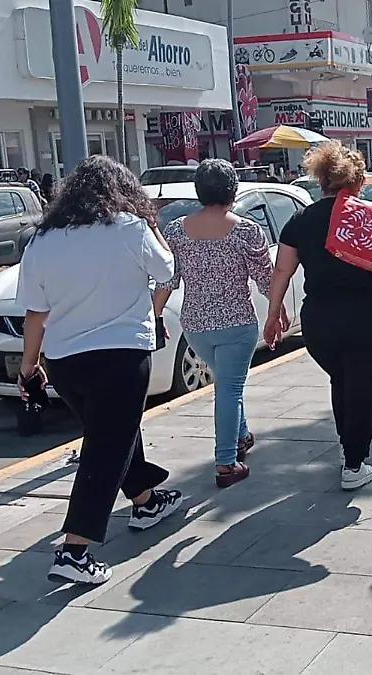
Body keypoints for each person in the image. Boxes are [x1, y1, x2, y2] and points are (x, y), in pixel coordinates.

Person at [15, 155, 184, 585]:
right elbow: (167, 272)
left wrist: (28, 367)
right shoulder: (131, 228)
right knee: (106, 446)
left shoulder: (44, 238)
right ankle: (74, 550)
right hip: (122, 354)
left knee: (113, 432)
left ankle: (145, 500)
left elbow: (35, 312)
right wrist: (153, 227)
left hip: (64, 360)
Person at [263, 143, 372, 491]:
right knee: (363, 388)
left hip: (320, 320)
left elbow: (282, 272)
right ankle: (353, 464)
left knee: (341, 380)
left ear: (321, 180)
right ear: (359, 181)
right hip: (366, 317)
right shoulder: (371, 214)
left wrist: (273, 315)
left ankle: (346, 447)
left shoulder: (301, 220)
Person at [153, 159, 282, 488]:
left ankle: (241, 435)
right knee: (228, 389)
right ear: (233, 190)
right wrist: (276, 311)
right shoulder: (245, 229)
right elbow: (266, 278)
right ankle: (226, 462)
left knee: (226, 385)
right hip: (237, 324)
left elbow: (167, 281)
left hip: (196, 326)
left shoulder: (177, 230)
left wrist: (154, 316)